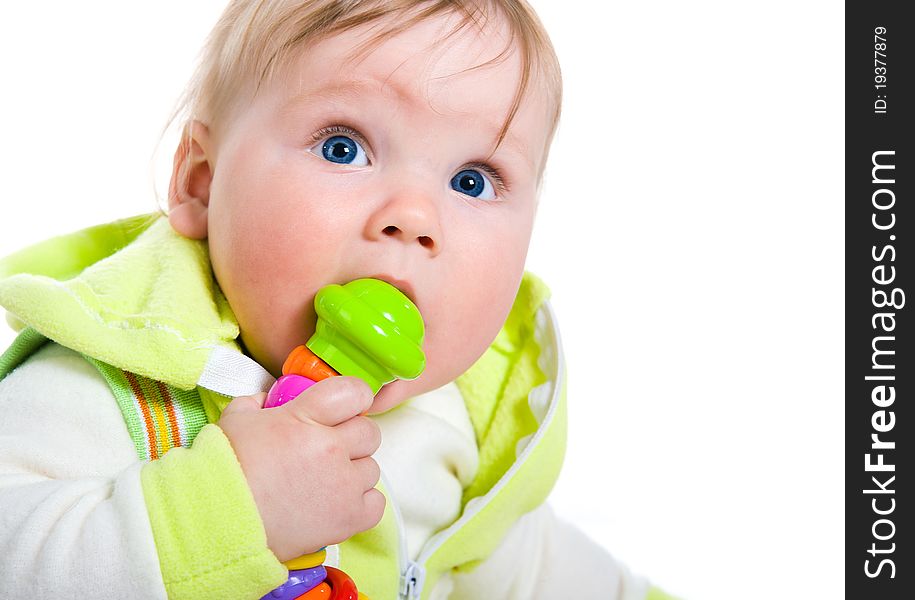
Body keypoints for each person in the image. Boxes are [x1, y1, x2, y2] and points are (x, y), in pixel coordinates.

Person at [0, 1, 675, 598]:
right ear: (204, 184)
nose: (413, 217)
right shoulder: (102, 388)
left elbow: (527, 572)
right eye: (343, 147)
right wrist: (222, 512)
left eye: (472, 181)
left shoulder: (454, 422)